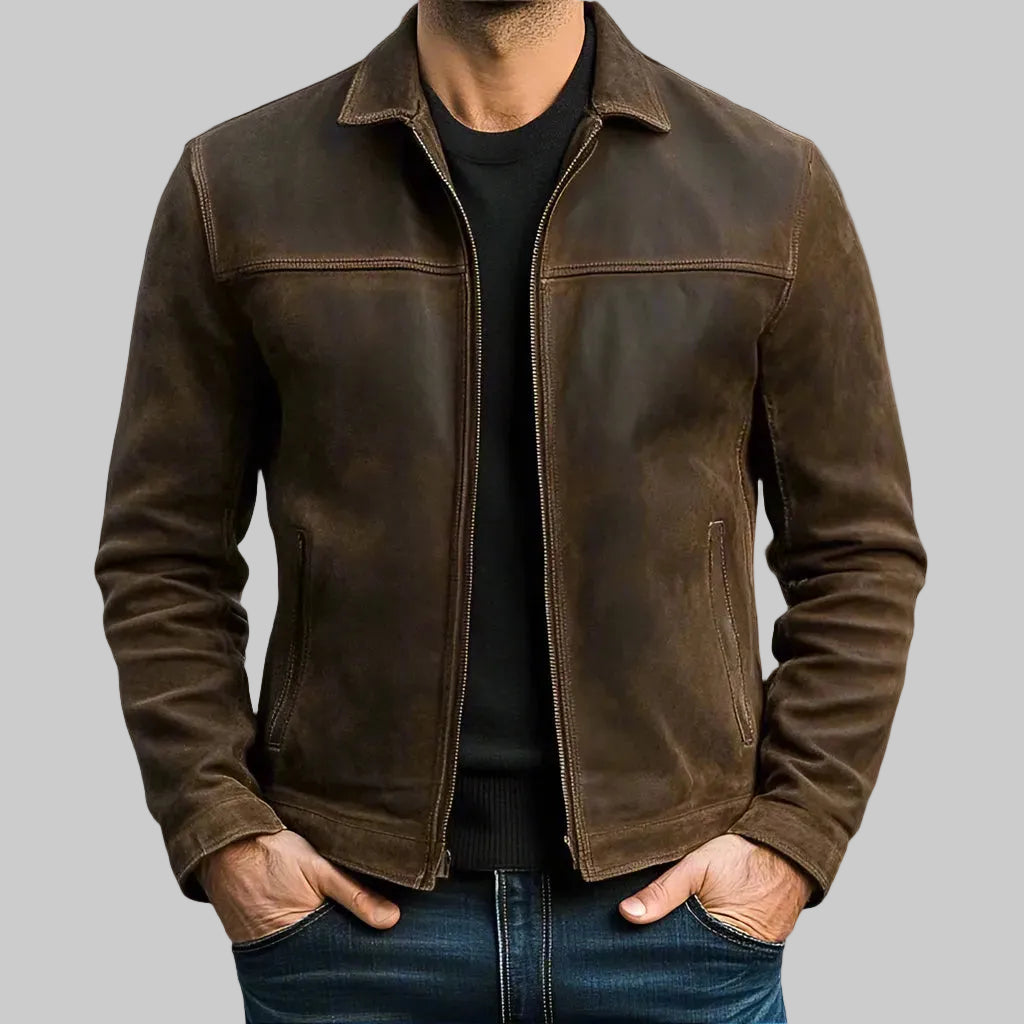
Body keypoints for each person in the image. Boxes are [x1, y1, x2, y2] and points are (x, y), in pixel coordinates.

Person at [93, 1, 927, 1020]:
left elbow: (857, 554)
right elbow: (162, 553)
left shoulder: (767, 186)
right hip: (350, 934)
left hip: (673, 930)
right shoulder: (238, 185)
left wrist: (792, 837)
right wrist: (222, 831)